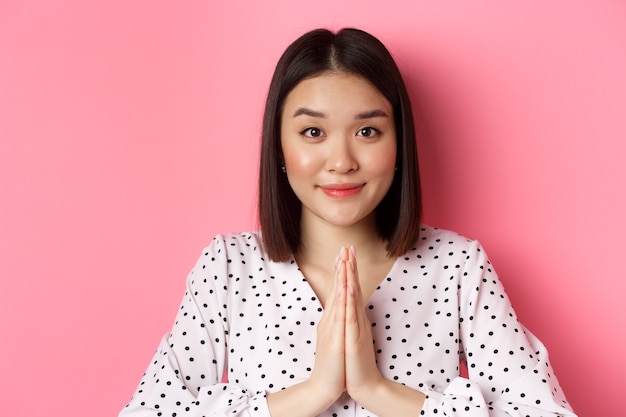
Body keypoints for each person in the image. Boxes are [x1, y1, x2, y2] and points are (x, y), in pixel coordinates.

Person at [119, 28, 577, 416]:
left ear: (400, 146)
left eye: (367, 131)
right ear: (279, 147)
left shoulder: (458, 267)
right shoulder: (228, 268)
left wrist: (379, 392)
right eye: (313, 132)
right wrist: (310, 394)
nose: (341, 161)